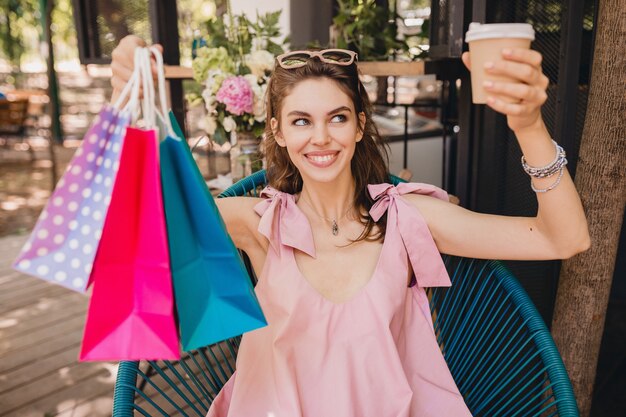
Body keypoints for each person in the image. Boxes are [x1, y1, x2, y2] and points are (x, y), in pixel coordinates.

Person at [111, 36, 590, 416]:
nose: (321, 137)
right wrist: (129, 106)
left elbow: (563, 238)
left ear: (360, 125)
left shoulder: (408, 218)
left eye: (337, 117)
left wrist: (528, 126)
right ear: (278, 132)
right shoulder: (257, 224)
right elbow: (141, 227)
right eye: (300, 121)